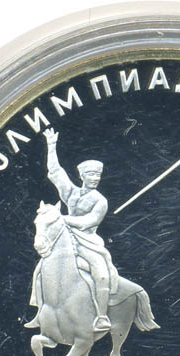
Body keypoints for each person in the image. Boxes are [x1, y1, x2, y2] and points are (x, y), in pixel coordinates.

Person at [42, 127, 117, 332]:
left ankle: (102, 317)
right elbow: (56, 173)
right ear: (82, 175)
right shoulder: (71, 193)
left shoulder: (100, 200)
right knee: (42, 268)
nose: (95, 178)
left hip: (88, 243)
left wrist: (61, 218)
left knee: (102, 274)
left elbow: (88, 222)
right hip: (66, 239)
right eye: (91, 174)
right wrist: (51, 146)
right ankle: (41, 309)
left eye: (98, 175)